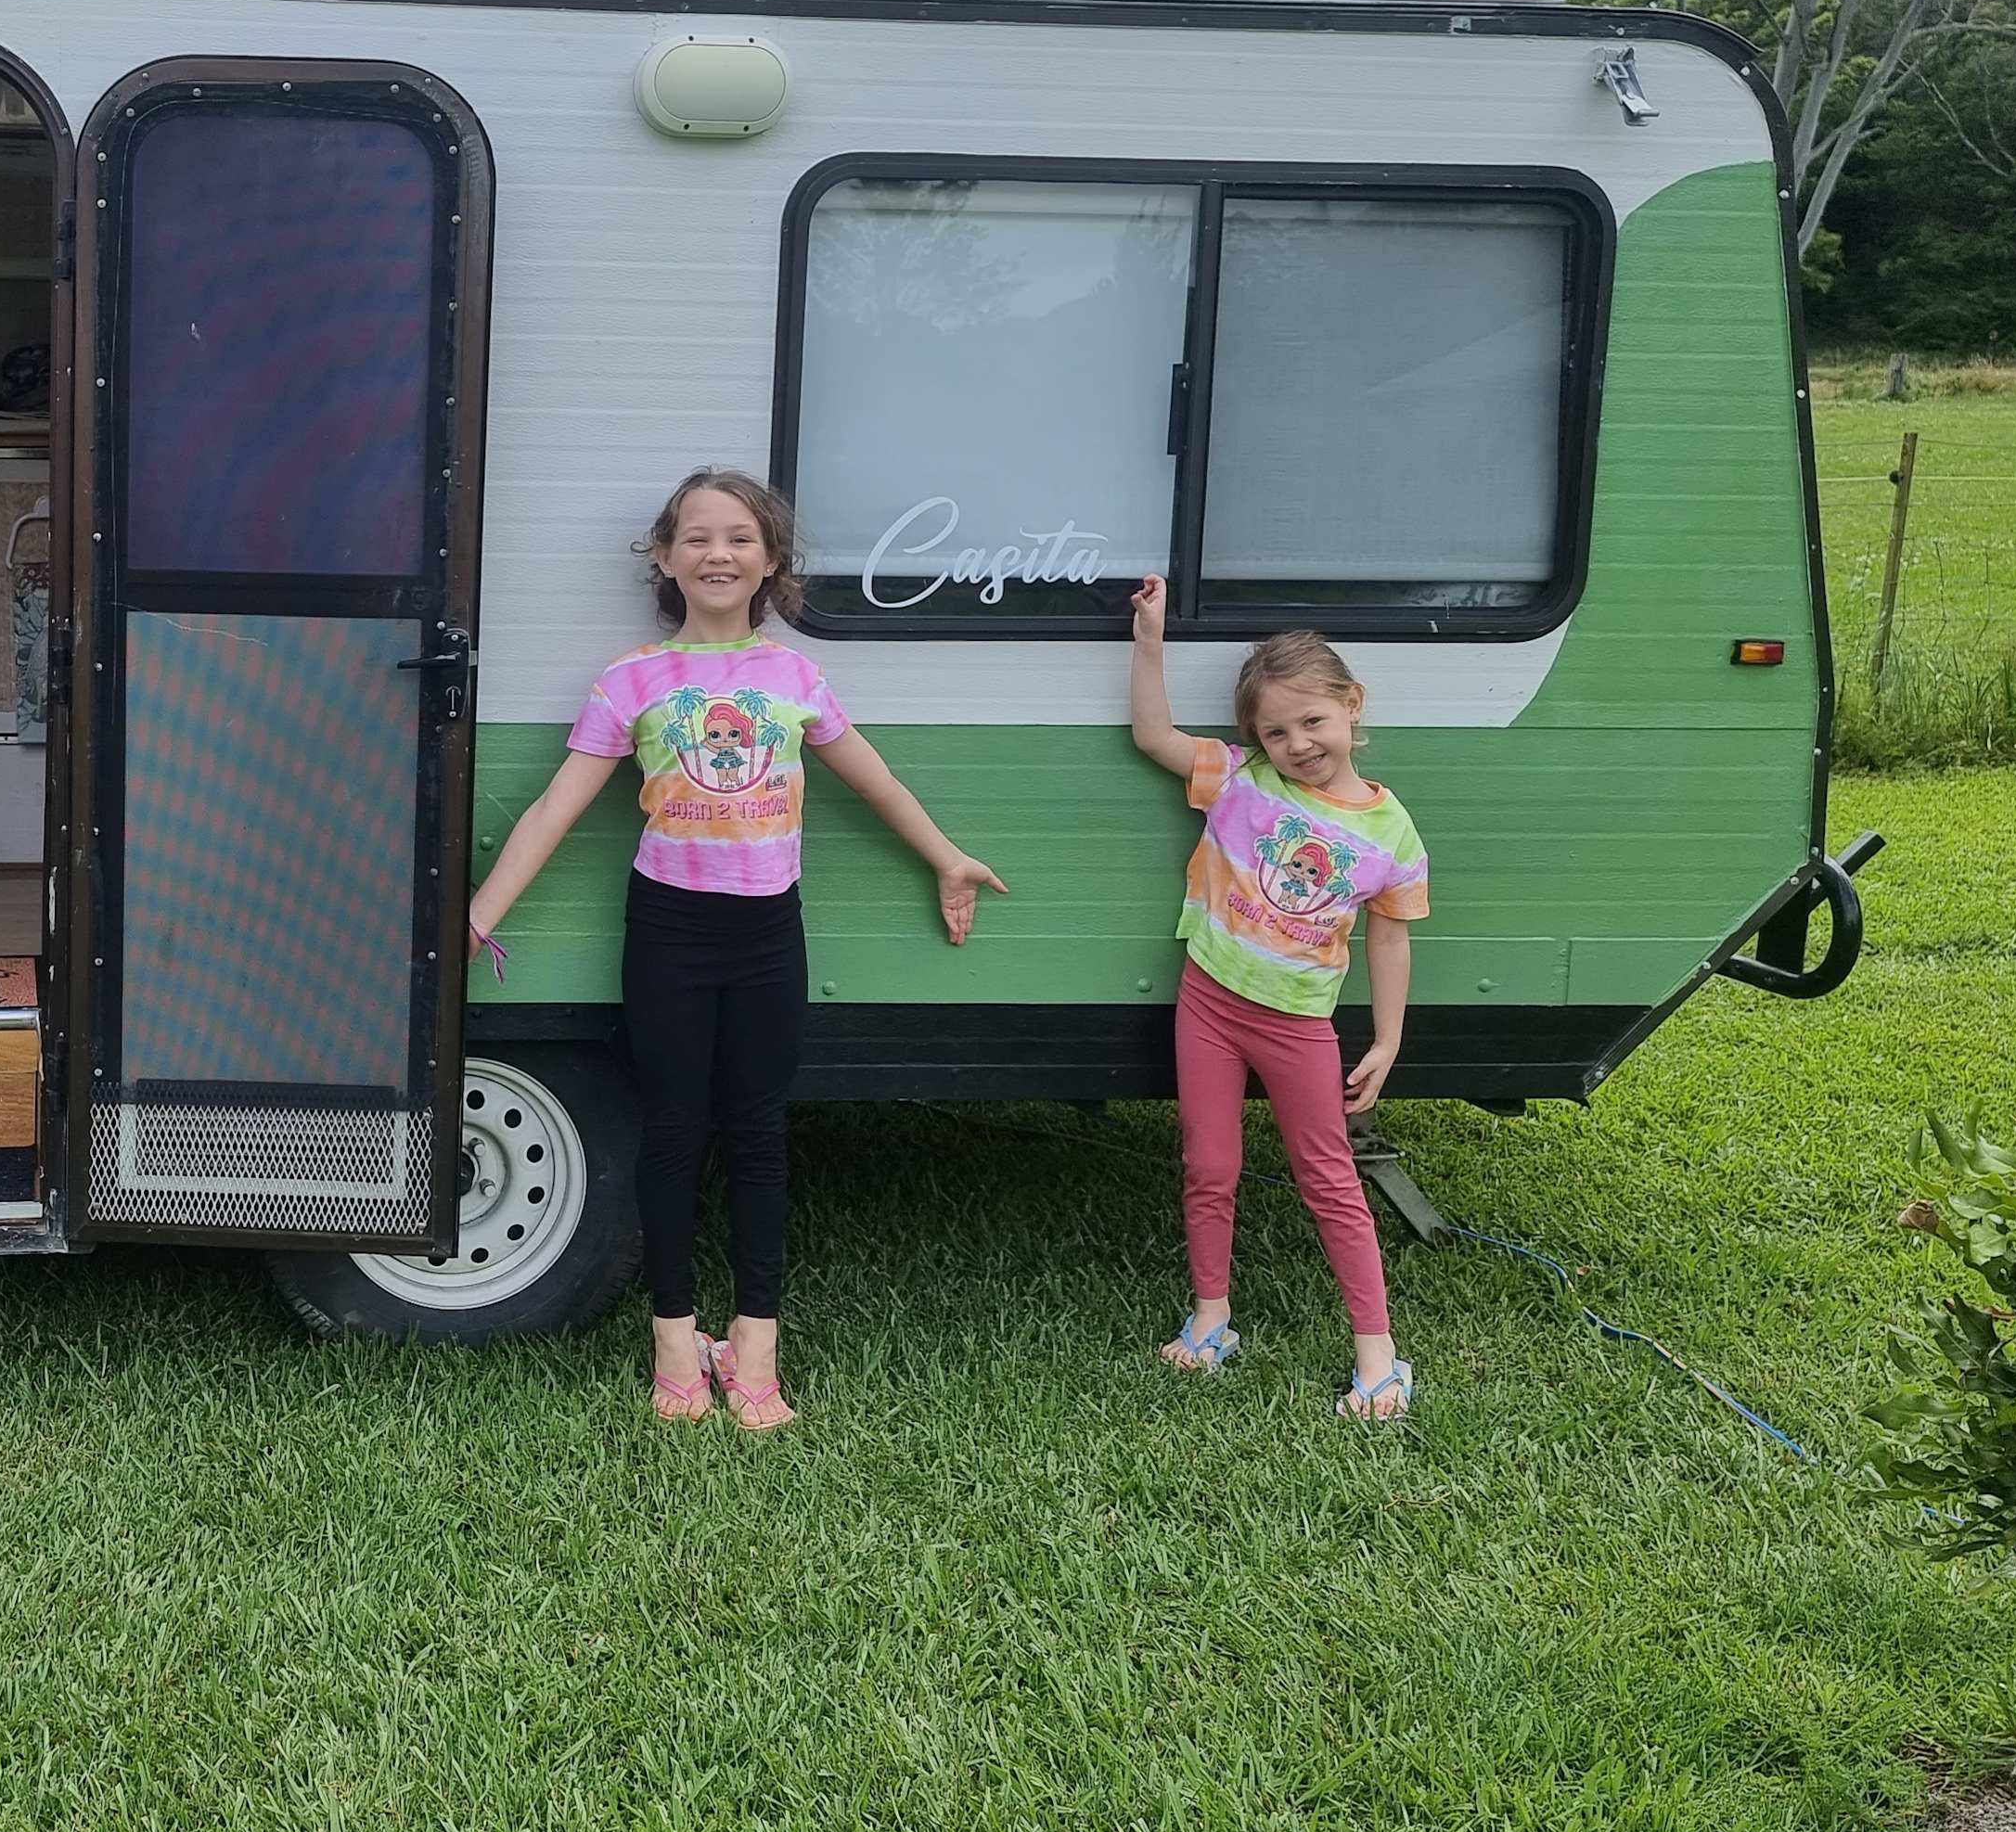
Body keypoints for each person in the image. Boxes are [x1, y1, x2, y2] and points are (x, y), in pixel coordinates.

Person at [468, 468, 1005, 1429]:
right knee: (674, 1133)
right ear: (665, 558)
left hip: (767, 934)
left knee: (758, 1135)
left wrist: (946, 858)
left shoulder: (795, 678)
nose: (719, 554)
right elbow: (555, 808)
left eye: (740, 538)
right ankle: (677, 1344)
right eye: (698, 538)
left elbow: (874, 780)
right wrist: (481, 912)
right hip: (668, 932)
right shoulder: (630, 680)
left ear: (770, 560)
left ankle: (756, 1347)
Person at [1125, 578, 1428, 1418]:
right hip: (1209, 1000)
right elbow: (1152, 734)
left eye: (1313, 721)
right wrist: (1149, 636)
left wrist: (1388, 1039)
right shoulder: (1241, 780)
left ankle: (1379, 1355)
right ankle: (1211, 1319)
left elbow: (1391, 937)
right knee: (1209, 1166)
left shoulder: (1392, 833)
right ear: (1255, 739)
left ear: (1353, 707)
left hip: (1298, 1024)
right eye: (1276, 731)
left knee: (1328, 1179)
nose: (1298, 743)